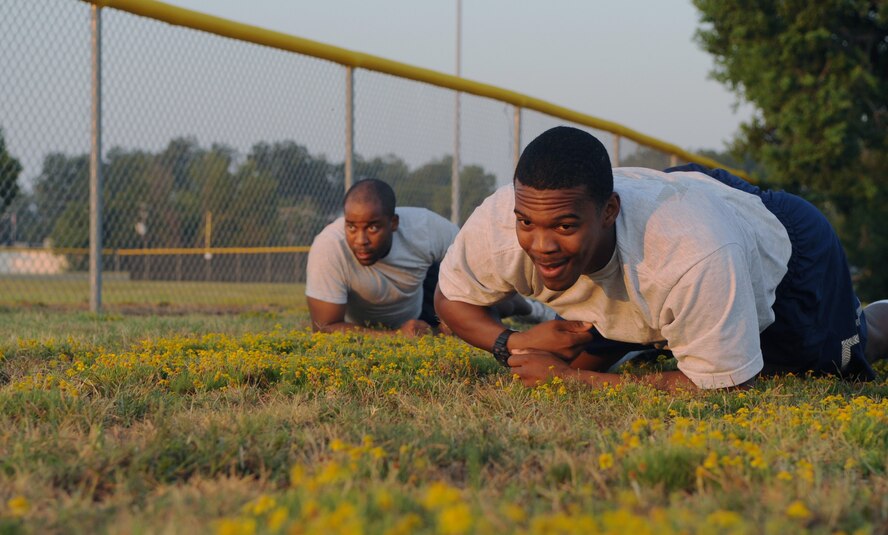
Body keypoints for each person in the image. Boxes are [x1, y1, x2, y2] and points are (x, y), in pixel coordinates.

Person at [435, 126, 888, 390]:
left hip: (780, 248)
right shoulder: (503, 221)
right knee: (569, 355)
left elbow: (728, 388)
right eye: (527, 222)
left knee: (820, 361)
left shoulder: (690, 256)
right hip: (676, 209)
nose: (541, 244)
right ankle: (657, 336)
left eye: (564, 226)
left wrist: (579, 383)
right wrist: (511, 343)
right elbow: (450, 299)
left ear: (608, 211)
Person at [306, 178, 552, 337]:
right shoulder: (328, 246)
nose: (360, 239)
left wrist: (456, 315)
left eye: (372, 227)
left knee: (491, 297)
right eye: (351, 227)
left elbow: (479, 269)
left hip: (425, 295)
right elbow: (325, 326)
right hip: (396, 324)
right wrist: (396, 336)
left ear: (393, 223)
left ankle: (536, 311)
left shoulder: (424, 227)